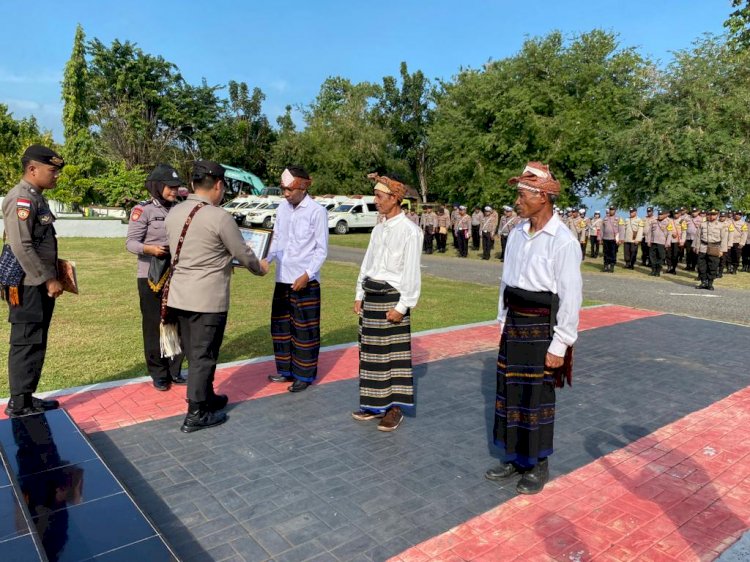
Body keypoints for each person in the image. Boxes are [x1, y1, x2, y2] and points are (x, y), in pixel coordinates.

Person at [485, 162, 582, 494]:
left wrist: (561, 345)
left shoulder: (563, 241)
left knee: (537, 397)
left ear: (543, 197)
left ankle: (538, 463)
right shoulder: (515, 234)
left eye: (523, 194)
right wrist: (501, 321)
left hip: (541, 329)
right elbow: (506, 283)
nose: (518, 200)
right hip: (514, 325)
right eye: (518, 194)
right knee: (510, 393)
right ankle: (514, 457)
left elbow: (571, 297)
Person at [165, 160, 268, 432]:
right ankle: (196, 412)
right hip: (207, 299)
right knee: (203, 355)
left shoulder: (174, 212)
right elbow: (243, 253)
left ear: (193, 184)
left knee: (194, 352)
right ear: (219, 185)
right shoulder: (219, 216)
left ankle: (206, 397)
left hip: (179, 296)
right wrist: (261, 268)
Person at [352, 174, 422, 432]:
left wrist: (402, 306)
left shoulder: (410, 232)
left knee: (394, 359)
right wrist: (359, 294)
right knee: (370, 354)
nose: (375, 201)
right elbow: (367, 263)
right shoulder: (378, 229)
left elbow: (412, 273)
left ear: (395, 199)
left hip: (392, 300)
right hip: (372, 297)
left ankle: (394, 409)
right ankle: (373, 404)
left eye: (379, 196)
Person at [2, 145, 65, 417]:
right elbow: (21, 245)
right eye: (52, 171)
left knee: (36, 339)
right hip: (27, 284)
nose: (56, 176)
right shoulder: (21, 199)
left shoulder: (36, 197)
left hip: (34, 283)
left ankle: (26, 397)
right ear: (32, 169)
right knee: (26, 340)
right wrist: (48, 279)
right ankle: (18, 403)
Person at [264, 166, 329, 393]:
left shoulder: (316, 211)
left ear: (302, 186)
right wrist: (267, 259)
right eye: (283, 189)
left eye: (289, 189)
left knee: (305, 329)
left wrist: (307, 274)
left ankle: (304, 374)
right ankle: (286, 370)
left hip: (305, 281)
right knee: (281, 326)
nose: (285, 194)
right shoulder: (282, 208)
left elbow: (321, 250)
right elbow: (277, 238)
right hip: (283, 277)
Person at [126, 164, 187, 391]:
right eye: (170, 187)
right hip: (151, 276)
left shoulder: (180, 208)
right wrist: (150, 250)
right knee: (154, 325)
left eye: (177, 186)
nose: (174, 190)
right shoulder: (143, 210)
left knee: (178, 322)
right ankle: (159, 373)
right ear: (157, 186)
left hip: (178, 276)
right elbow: (130, 242)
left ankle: (175, 369)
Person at [694, 209, 728, 290]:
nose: (711, 216)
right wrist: (696, 246)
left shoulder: (721, 225)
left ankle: (710, 283)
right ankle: (703, 282)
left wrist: (722, 250)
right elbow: (698, 236)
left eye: (713, 214)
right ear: (707, 215)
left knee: (712, 266)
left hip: (714, 248)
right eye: (709, 214)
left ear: (717, 215)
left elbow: (724, 238)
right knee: (701, 266)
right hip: (703, 247)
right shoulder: (702, 225)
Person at [648, 208, 670, 276]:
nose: (659, 216)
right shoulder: (654, 221)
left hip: (662, 243)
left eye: (661, 214)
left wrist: (667, 243)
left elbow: (669, 234)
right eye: (659, 214)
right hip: (653, 242)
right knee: (652, 257)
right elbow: (649, 232)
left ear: (664, 215)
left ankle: (658, 271)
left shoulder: (668, 222)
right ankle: (653, 270)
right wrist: (649, 241)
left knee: (661, 257)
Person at [601, 206, 620, 272]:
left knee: (613, 253)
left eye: (612, 210)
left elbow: (621, 229)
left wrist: (620, 239)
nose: (611, 211)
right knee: (606, 253)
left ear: (615, 211)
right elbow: (602, 229)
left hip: (613, 239)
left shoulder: (618, 219)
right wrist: (600, 238)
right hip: (605, 238)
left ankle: (612, 266)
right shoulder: (605, 218)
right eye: (610, 210)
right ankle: (606, 265)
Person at [728, 210, 747, 274]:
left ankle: (735, 268)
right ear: (734, 214)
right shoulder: (729, 221)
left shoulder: (743, 223)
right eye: (736, 214)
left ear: (741, 216)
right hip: (729, 241)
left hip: (738, 242)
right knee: (729, 255)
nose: (737, 216)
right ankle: (729, 267)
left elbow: (744, 234)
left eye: (739, 215)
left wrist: (742, 243)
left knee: (737, 256)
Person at [684, 207, 702, 271]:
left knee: (694, 253)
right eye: (693, 212)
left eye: (695, 212)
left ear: (698, 212)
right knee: (688, 253)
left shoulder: (701, 219)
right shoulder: (687, 218)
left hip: (696, 238)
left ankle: (693, 266)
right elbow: (680, 223)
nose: (693, 213)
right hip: (688, 238)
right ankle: (688, 265)